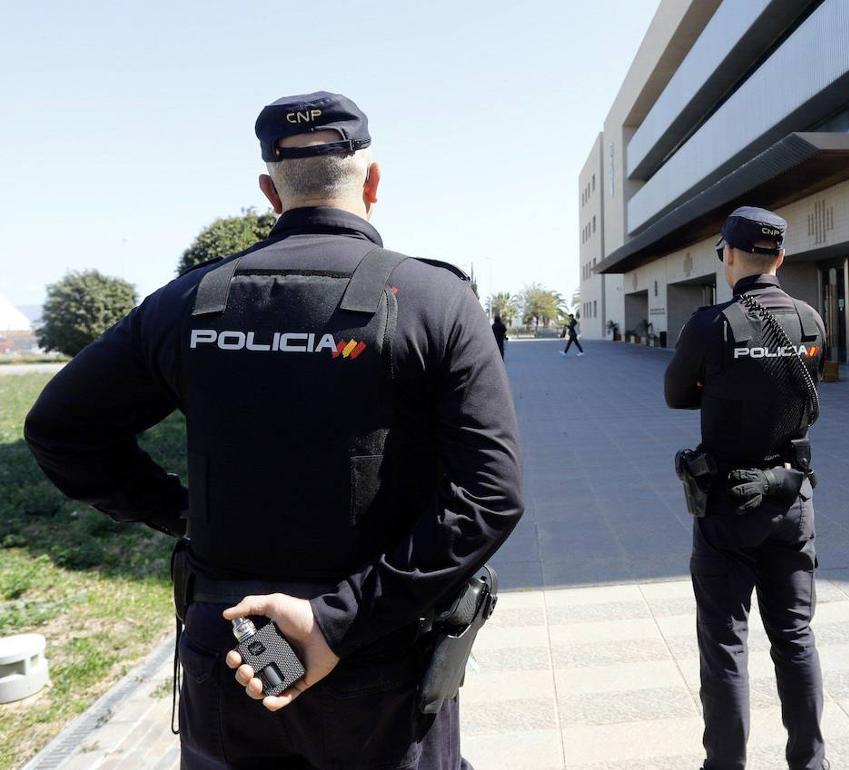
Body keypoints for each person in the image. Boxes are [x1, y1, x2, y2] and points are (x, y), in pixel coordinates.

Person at [23, 91, 524, 770]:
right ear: (372, 181)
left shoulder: (189, 303)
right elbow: (489, 495)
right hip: (377, 662)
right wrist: (336, 622)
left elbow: (60, 430)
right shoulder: (435, 302)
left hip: (230, 652)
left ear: (269, 190)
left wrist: (181, 511)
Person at [665, 206, 827, 770]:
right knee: (795, 637)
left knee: (726, 645)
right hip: (791, 496)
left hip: (727, 505)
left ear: (728, 256)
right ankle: (810, 762)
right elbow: (806, 395)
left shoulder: (712, 324)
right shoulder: (809, 319)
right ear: (779, 257)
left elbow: (676, 394)